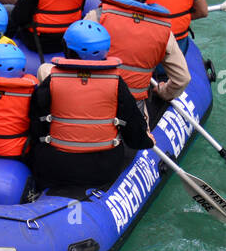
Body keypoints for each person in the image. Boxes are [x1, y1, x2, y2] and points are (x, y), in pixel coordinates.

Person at [28, 19, 152, 190]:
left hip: (55, 168)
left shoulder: (51, 81)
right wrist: (147, 141)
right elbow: (134, 132)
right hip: (103, 169)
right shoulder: (116, 83)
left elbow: (36, 126)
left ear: (67, 50)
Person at [86, 0, 190, 128]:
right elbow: (182, 79)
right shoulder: (164, 31)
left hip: (91, 98)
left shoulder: (97, 17)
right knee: (142, 126)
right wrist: (163, 92)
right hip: (134, 106)